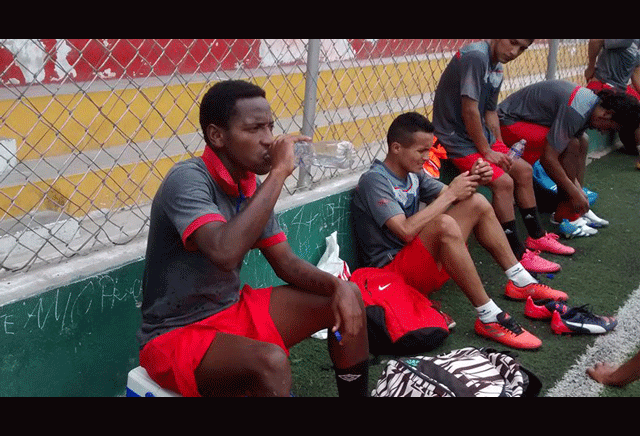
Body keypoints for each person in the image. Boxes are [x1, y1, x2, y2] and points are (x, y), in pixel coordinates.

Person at [136, 80, 370, 397]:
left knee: (348, 295)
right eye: (254, 129)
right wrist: (277, 174)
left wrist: (338, 286)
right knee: (271, 362)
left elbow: (286, 263)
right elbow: (224, 251)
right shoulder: (188, 179)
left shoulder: (248, 184)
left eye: (270, 128)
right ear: (217, 135)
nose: (268, 140)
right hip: (175, 336)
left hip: (231, 312)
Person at [351, 111, 569, 351]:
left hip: (416, 264)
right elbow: (405, 231)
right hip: (390, 274)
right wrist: (453, 194)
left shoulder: (414, 174)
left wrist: (474, 178)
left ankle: (519, 280)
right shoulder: (375, 180)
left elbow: (454, 194)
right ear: (396, 148)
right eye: (421, 151)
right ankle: (488, 317)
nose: (427, 157)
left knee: (476, 203)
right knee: (443, 224)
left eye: (429, 150)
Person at [432, 39, 571, 275]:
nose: (514, 52)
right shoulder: (476, 57)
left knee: (524, 170)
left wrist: (500, 147)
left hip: (479, 137)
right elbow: (469, 110)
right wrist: (487, 151)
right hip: (455, 139)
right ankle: (517, 253)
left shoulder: (497, 66)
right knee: (504, 182)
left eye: (522, 48)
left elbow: (490, 112)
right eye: (512, 42)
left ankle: (537, 237)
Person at [497, 79, 640, 234]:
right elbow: (548, 159)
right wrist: (574, 192)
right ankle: (566, 214)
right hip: (506, 122)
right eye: (610, 128)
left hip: (525, 121)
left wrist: (579, 192)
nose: (605, 132)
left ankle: (576, 209)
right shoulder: (577, 110)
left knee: (583, 140)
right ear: (607, 114)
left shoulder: (591, 106)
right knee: (570, 144)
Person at [584, 39, 640, 170]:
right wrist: (591, 67)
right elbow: (596, 40)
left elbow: (636, 73)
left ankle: (632, 144)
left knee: (636, 107)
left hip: (620, 89)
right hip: (603, 84)